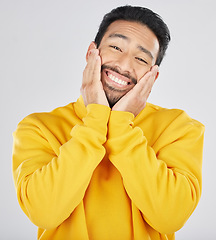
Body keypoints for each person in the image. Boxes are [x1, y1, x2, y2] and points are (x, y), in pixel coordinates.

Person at [12, 5, 205, 240]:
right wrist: (96, 120)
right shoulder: (38, 128)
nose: (124, 65)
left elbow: (171, 217)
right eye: (115, 47)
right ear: (91, 53)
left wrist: (121, 126)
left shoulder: (178, 127)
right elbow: (43, 213)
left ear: (152, 76)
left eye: (141, 58)